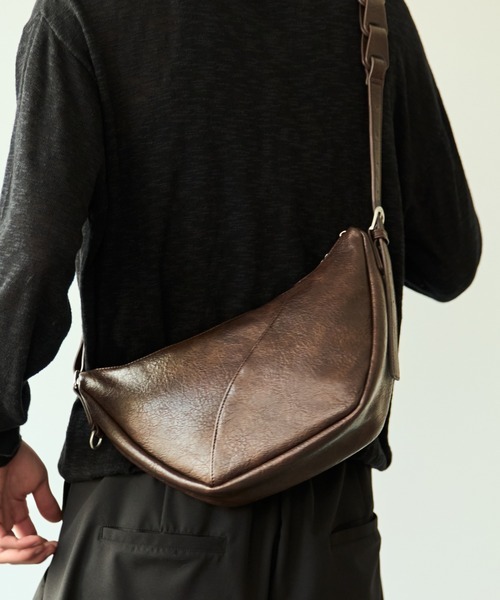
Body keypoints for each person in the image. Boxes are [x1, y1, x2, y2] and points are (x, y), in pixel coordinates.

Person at [0, 0, 481, 598]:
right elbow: (450, 259)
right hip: (331, 509)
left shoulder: (84, 13)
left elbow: (32, 253)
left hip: (147, 500)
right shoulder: (370, 11)